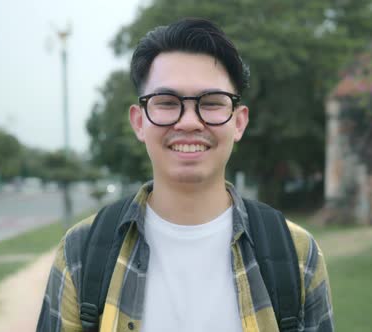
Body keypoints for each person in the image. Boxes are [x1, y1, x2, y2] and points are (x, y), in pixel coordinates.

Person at [37, 18, 334, 332]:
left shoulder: (296, 253)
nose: (190, 122)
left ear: (239, 122)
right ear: (139, 122)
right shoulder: (82, 251)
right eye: (166, 102)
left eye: (211, 103)